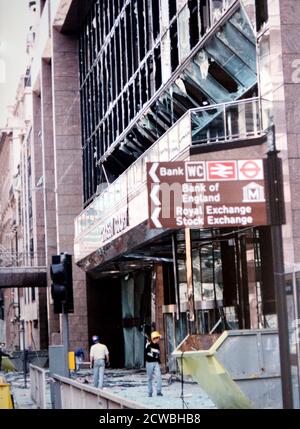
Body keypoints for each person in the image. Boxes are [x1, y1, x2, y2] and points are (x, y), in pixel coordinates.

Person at [145, 331, 163, 397]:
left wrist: (159, 362)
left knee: (159, 377)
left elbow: (157, 355)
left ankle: (159, 392)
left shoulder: (157, 346)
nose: (159, 339)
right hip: (149, 363)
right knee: (149, 378)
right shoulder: (148, 345)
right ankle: (150, 392)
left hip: (156, 363)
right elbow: (145, 353)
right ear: (154, 338)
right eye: (157, 338)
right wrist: (148, 344)